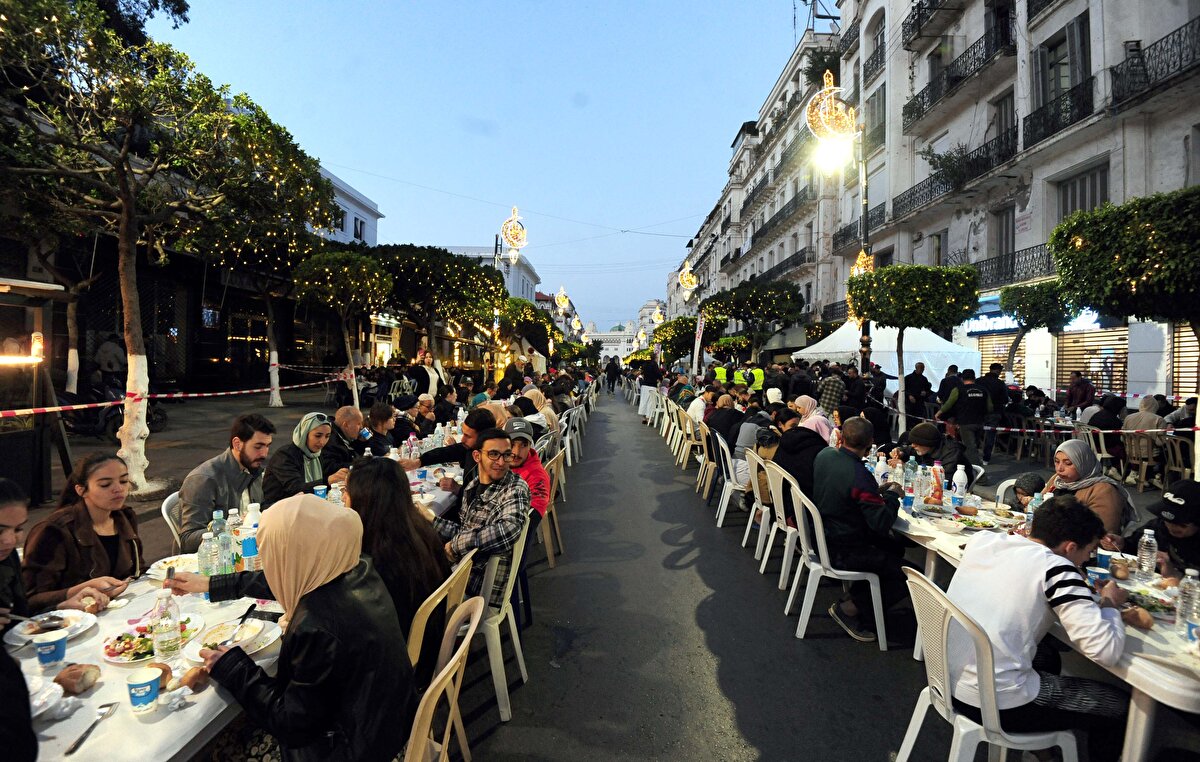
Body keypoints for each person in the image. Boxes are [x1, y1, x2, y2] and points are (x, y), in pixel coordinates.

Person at [200, 494, 416, 761]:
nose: (271, 563)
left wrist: (232, 666)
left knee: (222, 748)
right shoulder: (356, 567)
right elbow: (285, 576)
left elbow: (292, 724)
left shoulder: (317, 625)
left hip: (351, 749)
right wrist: (213, 584)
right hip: (388, 727)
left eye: (272, 553)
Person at [947, 496, 1129, 762]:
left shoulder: (985, 540)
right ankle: (1037, 740)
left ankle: (1040, 750)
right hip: (993, 702)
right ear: (1070, 547)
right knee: (1118, 706)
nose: (1087, 559)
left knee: (1047, 656)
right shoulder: (1058, 570)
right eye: (1089, 551)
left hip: (948, 676)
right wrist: (1111, 604)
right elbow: (1105, 650)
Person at [344, 459, 450, 690]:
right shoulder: (417, 531)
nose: (344, 499)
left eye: (346, 492)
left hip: (399, 671)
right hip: (427, 649)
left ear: (364, 500)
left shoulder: (377, 560)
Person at [812, 417, 910, 643]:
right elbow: (881, 523)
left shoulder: (824, 455)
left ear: (842, 437)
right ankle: (852, 608)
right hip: (844, 547)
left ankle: (858, 598)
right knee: (909, 574)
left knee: (894, 549)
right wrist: (893, 495)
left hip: (823, 536)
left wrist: (878, 494)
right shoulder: (859, 475)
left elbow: (847, 494)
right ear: (870, 443)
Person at [427, 429, 529, 607]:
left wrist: (455, 545)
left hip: (479, 586)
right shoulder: (472, 486)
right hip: (465, 570)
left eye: (506, 455)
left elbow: (508, 530)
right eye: (494, 454)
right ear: (476, 456)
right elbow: (468, 531)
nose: (501, 462)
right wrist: (431, 520)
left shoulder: (515, 488)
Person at [22, 454, 137, 610]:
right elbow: (31, 600)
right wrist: (79, 590)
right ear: (81, 490)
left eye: (123, 481)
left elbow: (138, 570)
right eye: (105, 484)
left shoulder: (125, 517)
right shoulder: (54, 530)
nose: (118, 489)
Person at [1, 478, 114, 631]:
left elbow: (21, 619)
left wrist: (61, 607)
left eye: (18, 529)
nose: (9, 540)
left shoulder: (7, 558)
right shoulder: (55, 529)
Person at [175, 413, 275, 553]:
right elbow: (188, 540)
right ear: (237, 444)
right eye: (258, 447)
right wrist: (233, 528)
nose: (264, 454)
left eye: (267, 446)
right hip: (217, 560)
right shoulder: (204, 479)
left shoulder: (254, 470)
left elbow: (261, 509)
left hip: (249, 550)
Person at [1106, 479, 1200, 578]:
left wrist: (1176, 574)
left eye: (1181, 525)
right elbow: (1135, 544)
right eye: (1167, 520)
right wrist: (1122, 544)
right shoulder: (1159, 526)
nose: (1172, 527)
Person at [1043, 439, 1136, 535]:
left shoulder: (1104, 491)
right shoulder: (1058, 480)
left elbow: (1102, 534)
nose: (1059, 469)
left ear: (1083, 463)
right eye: (1057, 462)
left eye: (1068, 463)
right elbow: (1038, 502)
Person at [262, 413, 348, 508]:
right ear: (304, 433)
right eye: (318, 436)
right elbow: (296, 488)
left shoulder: (317, 454)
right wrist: (328, 481)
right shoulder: (285, 455)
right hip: (278, 510)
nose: (322, 442)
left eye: (327, 436)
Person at [936, 368, 991, 472]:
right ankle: (966, 470)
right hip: (980, 422)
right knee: (973, 446)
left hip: (965, 422)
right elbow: (990, 407)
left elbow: (949, 404)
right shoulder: (983, 390)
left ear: (961, 378)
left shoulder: (958, 389)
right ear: (974, 378)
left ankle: (981, 475)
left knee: (970, 448)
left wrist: (939, 412)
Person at [892, 422, 974, 488]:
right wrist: (900, 452)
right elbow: (908, 450)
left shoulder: (951, 453)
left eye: (916, 443)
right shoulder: (924, 448)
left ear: (927, 443)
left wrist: (907, 467)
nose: (913, 445)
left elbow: (943, 482)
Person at [504, 419, 550, 534]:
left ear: (530, 445)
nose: (516, 452)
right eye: (512, 444)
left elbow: (533, 516)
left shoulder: (537, 475)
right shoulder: (500, 461)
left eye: (524, 445)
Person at [1122, 396, 1167, 489]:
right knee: (1166, 453)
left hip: (1130, 453)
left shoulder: (1128, 418)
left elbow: (1122, 437)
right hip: (1150, 455)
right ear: (1155, 406)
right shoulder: (1159, 419)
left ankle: (1139, 475)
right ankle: (1155, 477)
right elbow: (1160, 443)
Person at [321, 406, 368, 476]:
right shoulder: (330, 440)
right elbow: (331, 468)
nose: (361, 427)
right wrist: (360, 465)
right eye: (358, 424)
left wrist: (361, 442)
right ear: (346, 425)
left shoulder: (344, 435)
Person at [978, 363, 1009, 465]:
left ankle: (974, 455)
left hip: (979, 411)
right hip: (995, 412)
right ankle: (986, 458)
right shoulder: (1000, 383)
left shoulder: (979, 381)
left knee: (976, 432)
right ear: (999, 371)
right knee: (990, 435)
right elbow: (1005, 399)